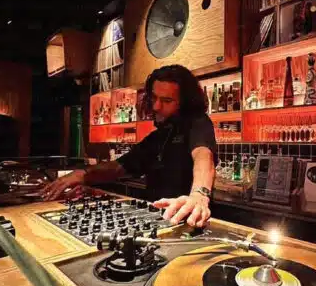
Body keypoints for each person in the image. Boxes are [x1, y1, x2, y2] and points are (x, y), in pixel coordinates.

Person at [41, 65, 219, 227]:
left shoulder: (198, 123)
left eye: (166, 100)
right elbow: (120, 166)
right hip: (158, 220)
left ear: (185, 102)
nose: (156, 106)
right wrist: (84, 175)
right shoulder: (157, 137)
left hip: (188, 221)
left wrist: (199, 195)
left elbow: (203, 155)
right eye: (154, 98)